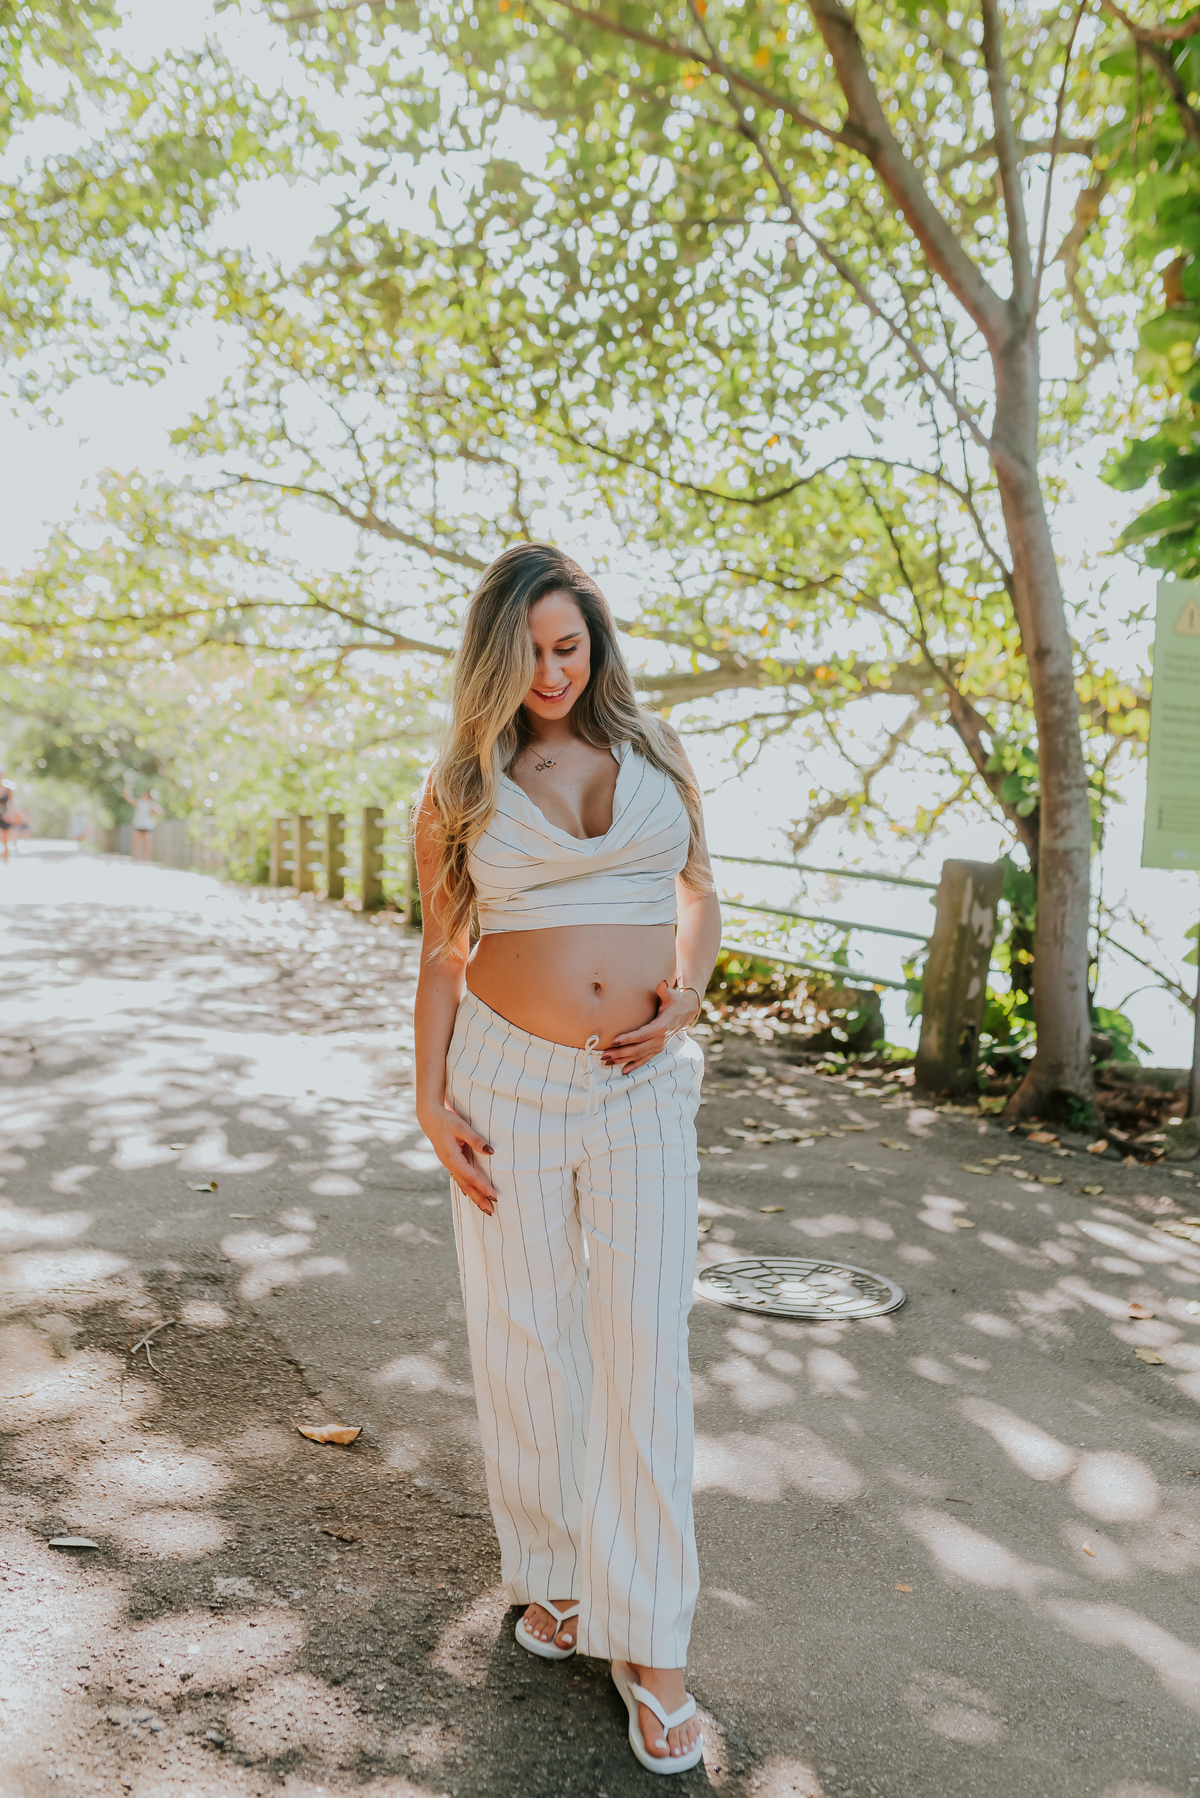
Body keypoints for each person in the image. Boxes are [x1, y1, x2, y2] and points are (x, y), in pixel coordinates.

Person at [413, 544, 722, 1776]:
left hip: (642, 1085)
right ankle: (559, 1581)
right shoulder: (460, 785)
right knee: (528, 1337)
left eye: (569, 645)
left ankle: (655, 1650)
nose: (551, 669)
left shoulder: (657, 755)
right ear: (497, 653)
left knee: (648, 1346)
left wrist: (688, 994)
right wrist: (429, 1097)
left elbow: (701, 897)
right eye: (530, 649)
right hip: (507, 1079)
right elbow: (442, 955)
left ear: (595, 644)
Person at [123, 785, 162, 863]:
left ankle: (146, 858)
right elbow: (129, 798)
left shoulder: (151, 804)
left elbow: (160, 812)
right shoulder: (140, 802)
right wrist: (126, 790)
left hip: (147, 826)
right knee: (136, 842)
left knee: (147, 843)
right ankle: (135, 857)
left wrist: (153, 810)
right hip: (138, 825)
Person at [0, 775, 14, 862]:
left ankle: (6, 852)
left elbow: (11, 804)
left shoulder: (7, 790)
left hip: (5, 815)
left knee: (5, 836)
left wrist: (9, 814)